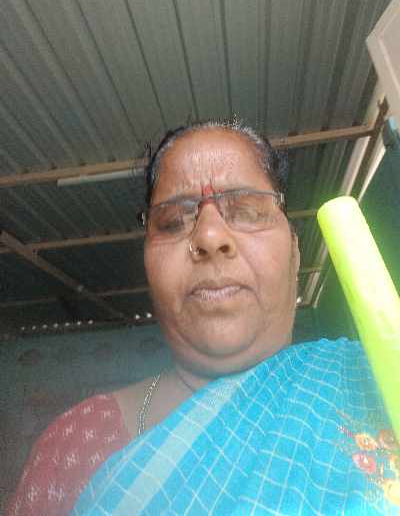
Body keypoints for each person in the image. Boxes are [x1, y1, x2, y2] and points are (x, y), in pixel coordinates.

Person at [7, 120, 400, 515]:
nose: (210, 237)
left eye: (247, 210)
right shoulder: (78, 444)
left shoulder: (372, 381)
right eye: (173, 222)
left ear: (295, 254)